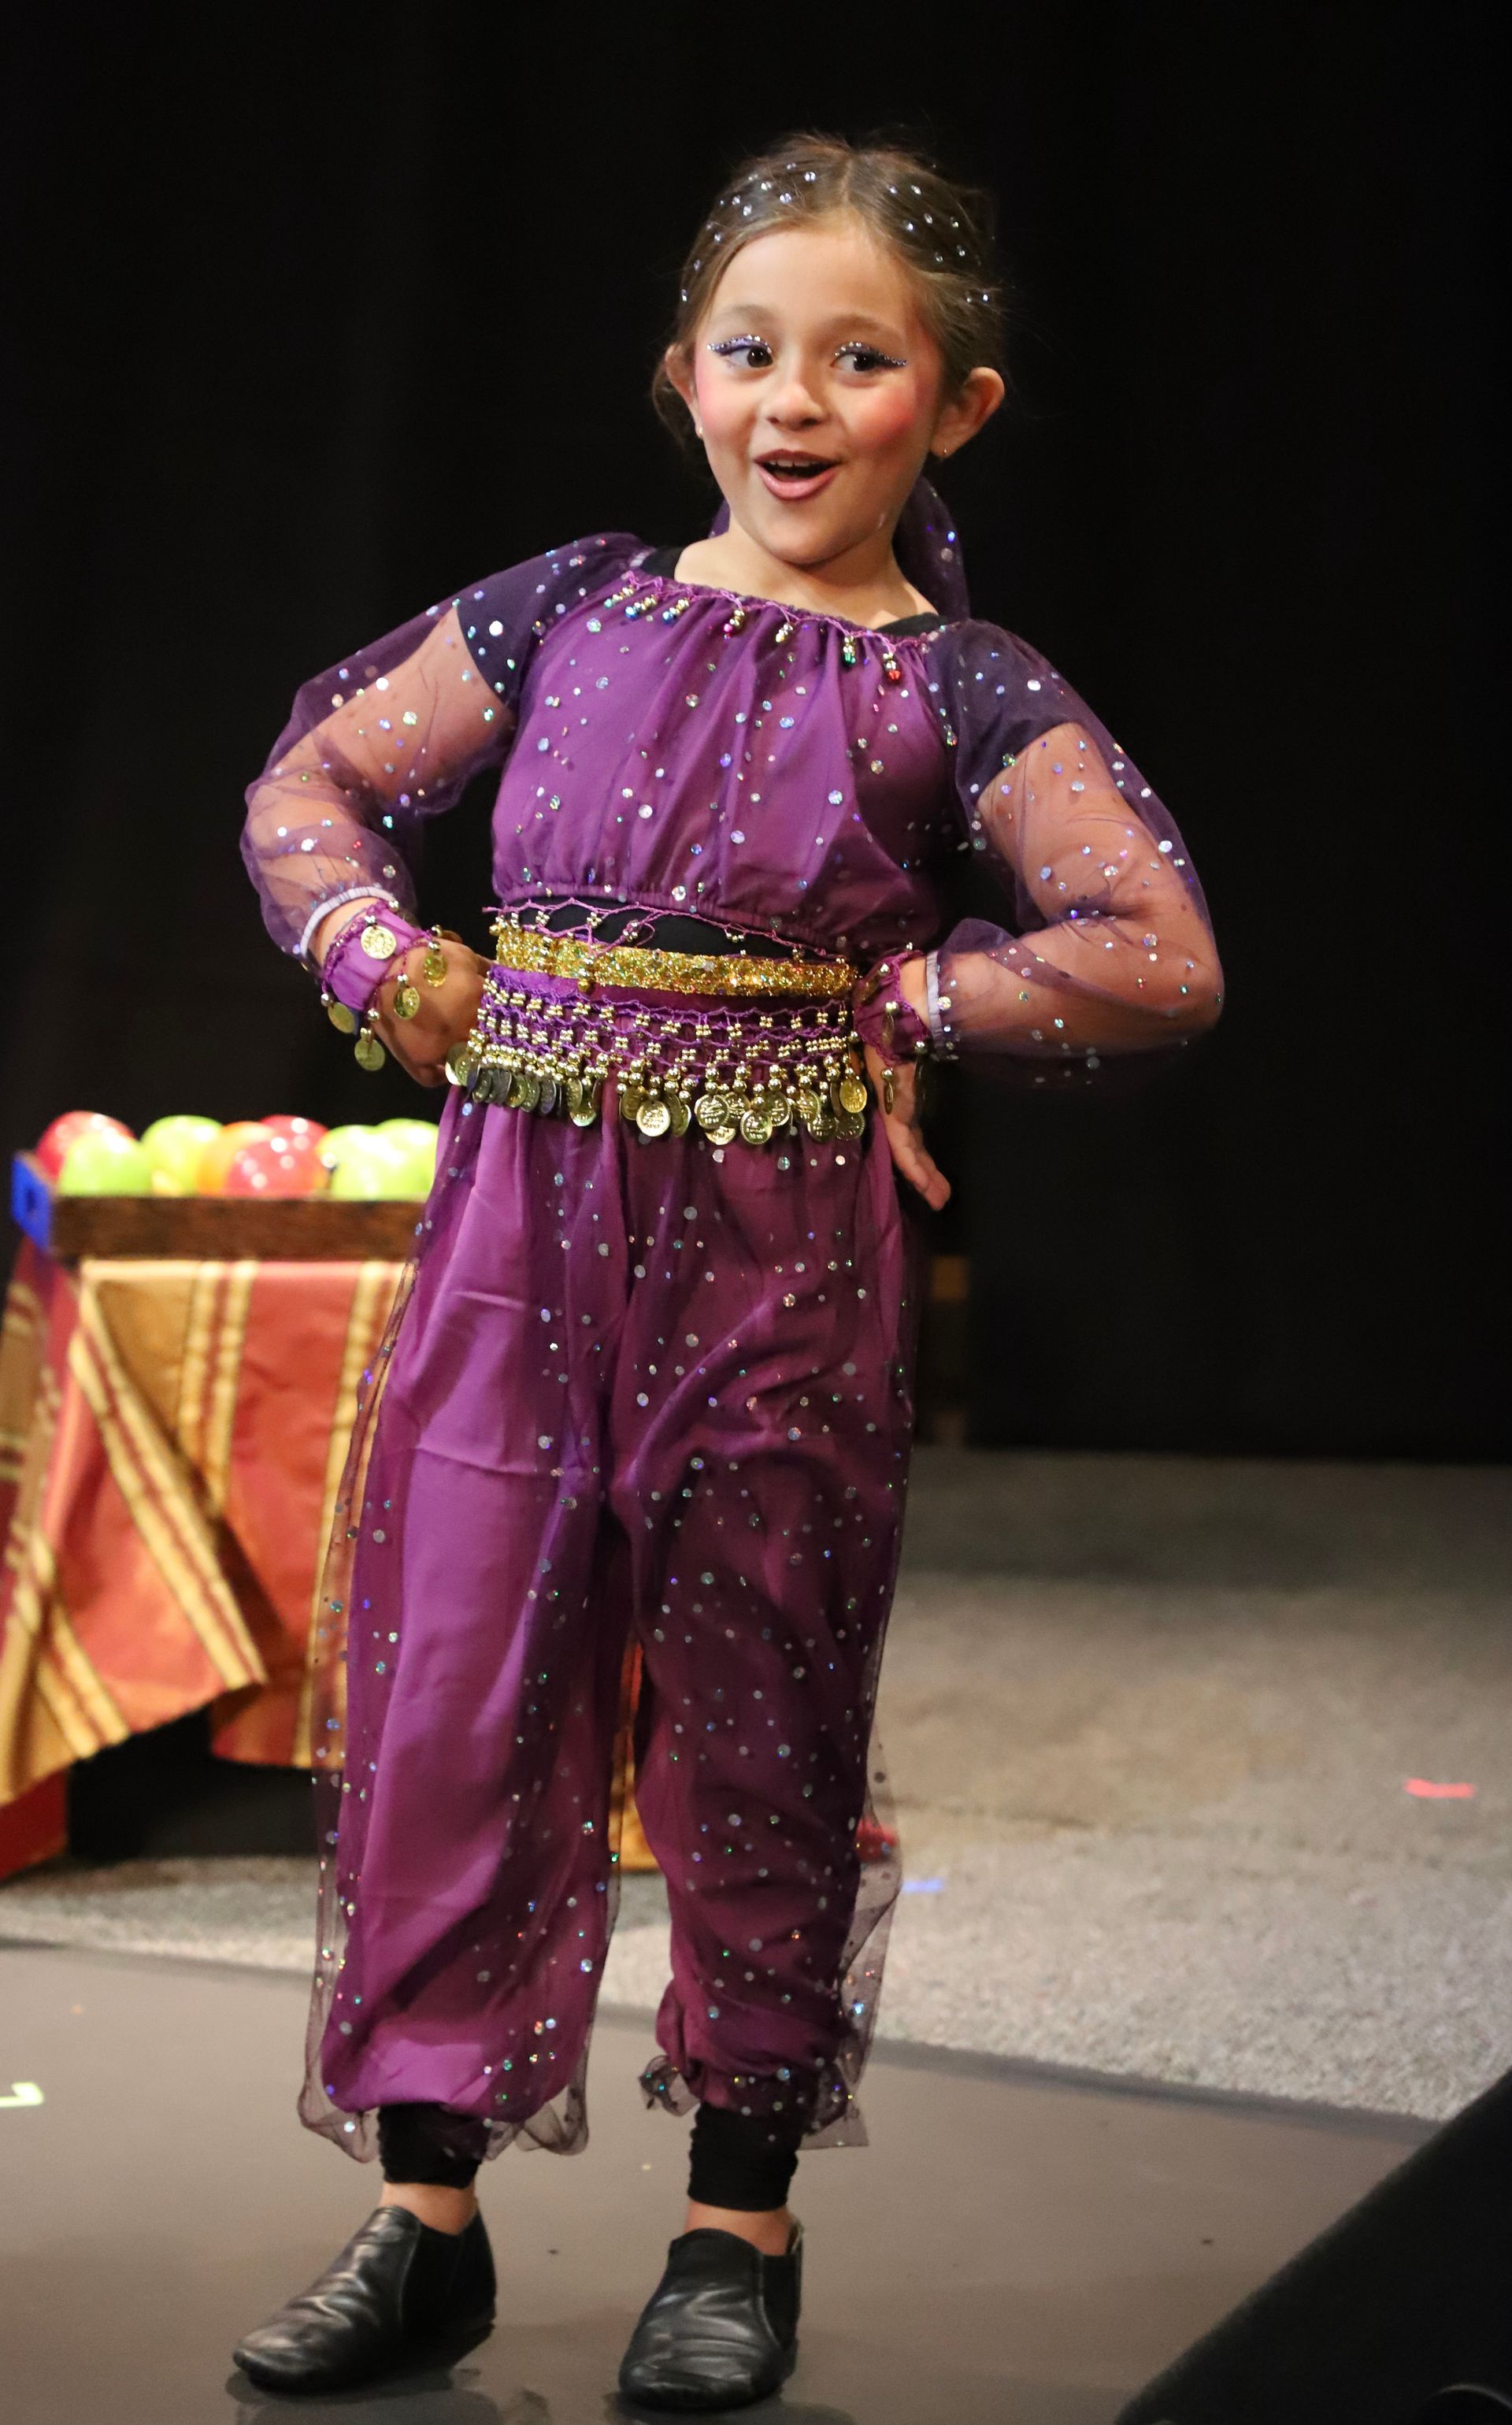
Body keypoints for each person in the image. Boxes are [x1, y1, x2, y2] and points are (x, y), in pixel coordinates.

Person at [232, 131, 1222, 2412]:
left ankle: (734, 2230)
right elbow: (309, 790)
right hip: (517, 1234)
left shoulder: (961, 688)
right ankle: (423, 2212)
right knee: (456, 1694)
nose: (796, 401)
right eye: (754, 352)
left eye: (859, 360)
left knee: (762, 1708)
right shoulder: (570, 609)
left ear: (947, 408)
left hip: (775, 1260)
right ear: (684, 373)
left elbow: (1155, 955)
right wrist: (385, 953)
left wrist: (913, 1007)